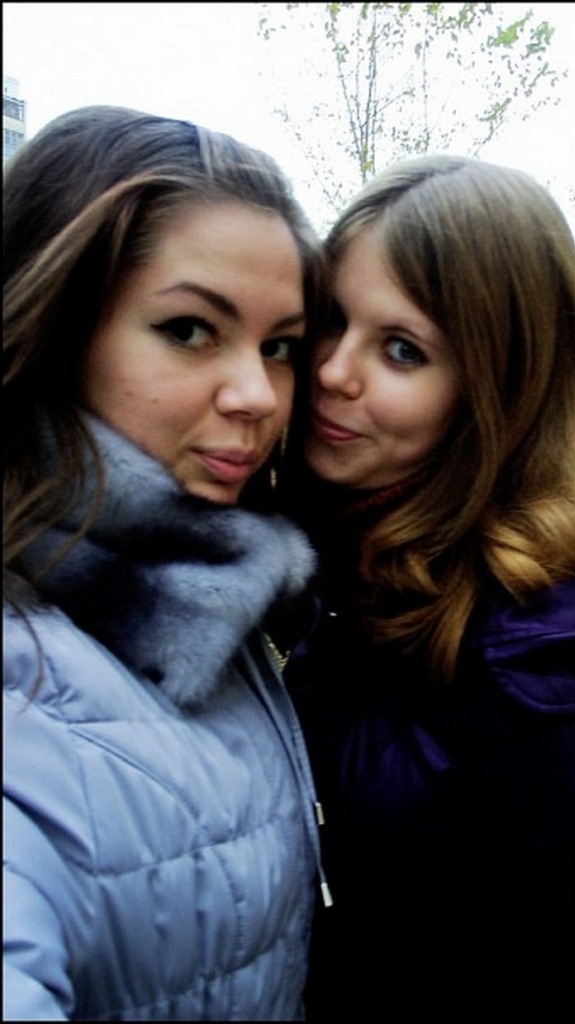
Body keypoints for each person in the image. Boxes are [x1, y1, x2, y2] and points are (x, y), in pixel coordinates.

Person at [279, 155, 575, 1021]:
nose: (333, 370)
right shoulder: (354, 557)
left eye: (402, 349)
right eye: (330, 320)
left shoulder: (547, 646)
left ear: (498, 386)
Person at [3, 105, 333, 1021]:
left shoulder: (212, 577)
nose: (257, 395)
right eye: (190, 329)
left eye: (279, 346)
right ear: (53, 327)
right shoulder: (23, 687)